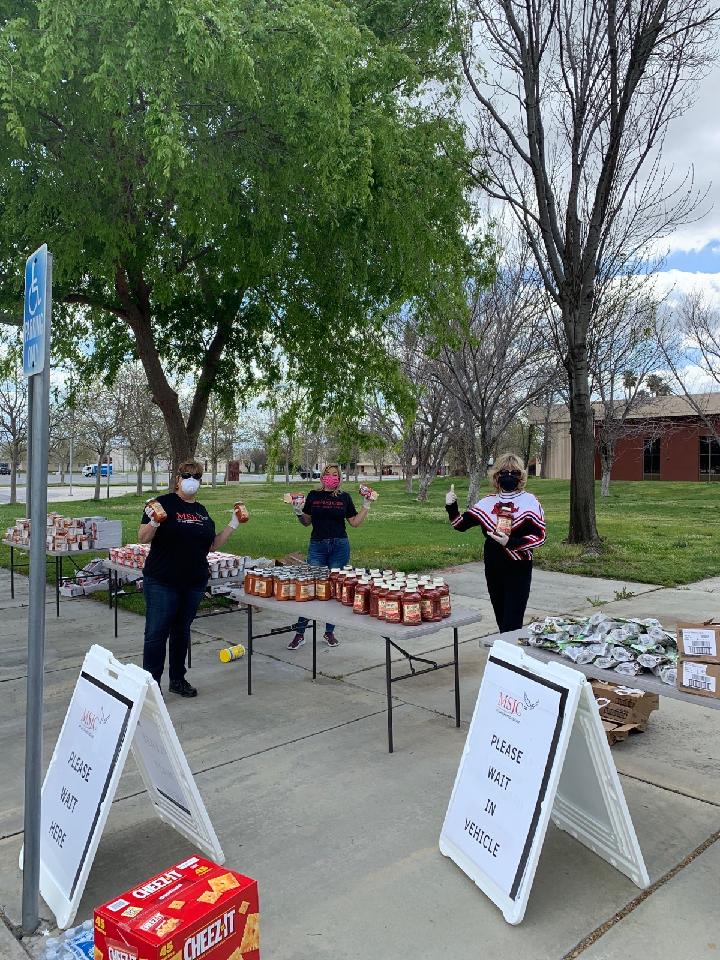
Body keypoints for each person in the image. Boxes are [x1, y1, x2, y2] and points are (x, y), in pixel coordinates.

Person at [139, 459, 249, 697]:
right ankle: (150, 689)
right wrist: (154, 522)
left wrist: (233, 524)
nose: (192, 480)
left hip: (193, 583)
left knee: (181, 632)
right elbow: (142, 537)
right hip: (162, 581)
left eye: (197, 477)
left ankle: (177, 679)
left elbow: (211, 545)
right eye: (187, 475)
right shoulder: (162, 504)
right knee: (156, 634)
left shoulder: (201, 511)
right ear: (177, 479)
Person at [445, 453, 545, 632]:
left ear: (521, 476)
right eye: (504, 472)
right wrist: (451, 506)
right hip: (493, 567)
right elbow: (459, 524)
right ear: (496, 475)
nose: (509, 476)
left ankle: (510, 657)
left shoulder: (530, 501)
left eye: (514, 472)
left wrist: (511, 542)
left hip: (518, 567)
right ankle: (505, 655)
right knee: (501, 618)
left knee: (512, 623)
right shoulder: (487, 503)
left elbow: (540, 536)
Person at [286, 464, 373, 649]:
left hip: (339, 546)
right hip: (317, 545)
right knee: (310, 589)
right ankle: (300, 633)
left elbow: (354, 523)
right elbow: (306, 522)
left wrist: (366, 505)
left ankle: (329, 632)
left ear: (339, 478)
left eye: (335, 475)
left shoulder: (345, 497)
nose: (331, 477)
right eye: (328, 474)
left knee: (334, 590)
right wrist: (298, 512)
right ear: (322, 477)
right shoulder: (313, 496)